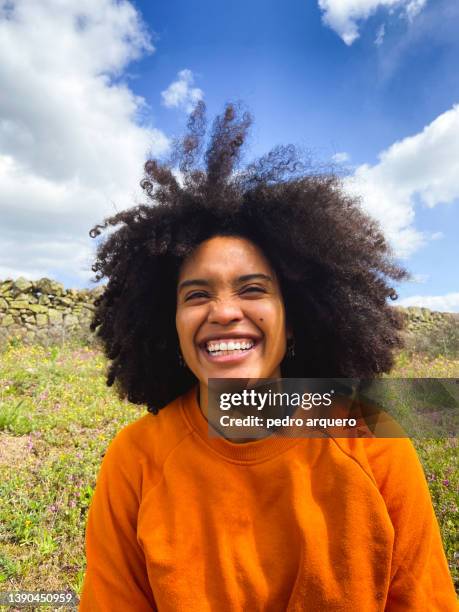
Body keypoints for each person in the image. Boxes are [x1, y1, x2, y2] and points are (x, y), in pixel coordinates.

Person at [79, 102, 457, 611]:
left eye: (252, 289)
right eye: (196, 295)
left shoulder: (373, 444)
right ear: (166, 324)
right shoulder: (136, 461)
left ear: (296, 315)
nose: (224, 312)